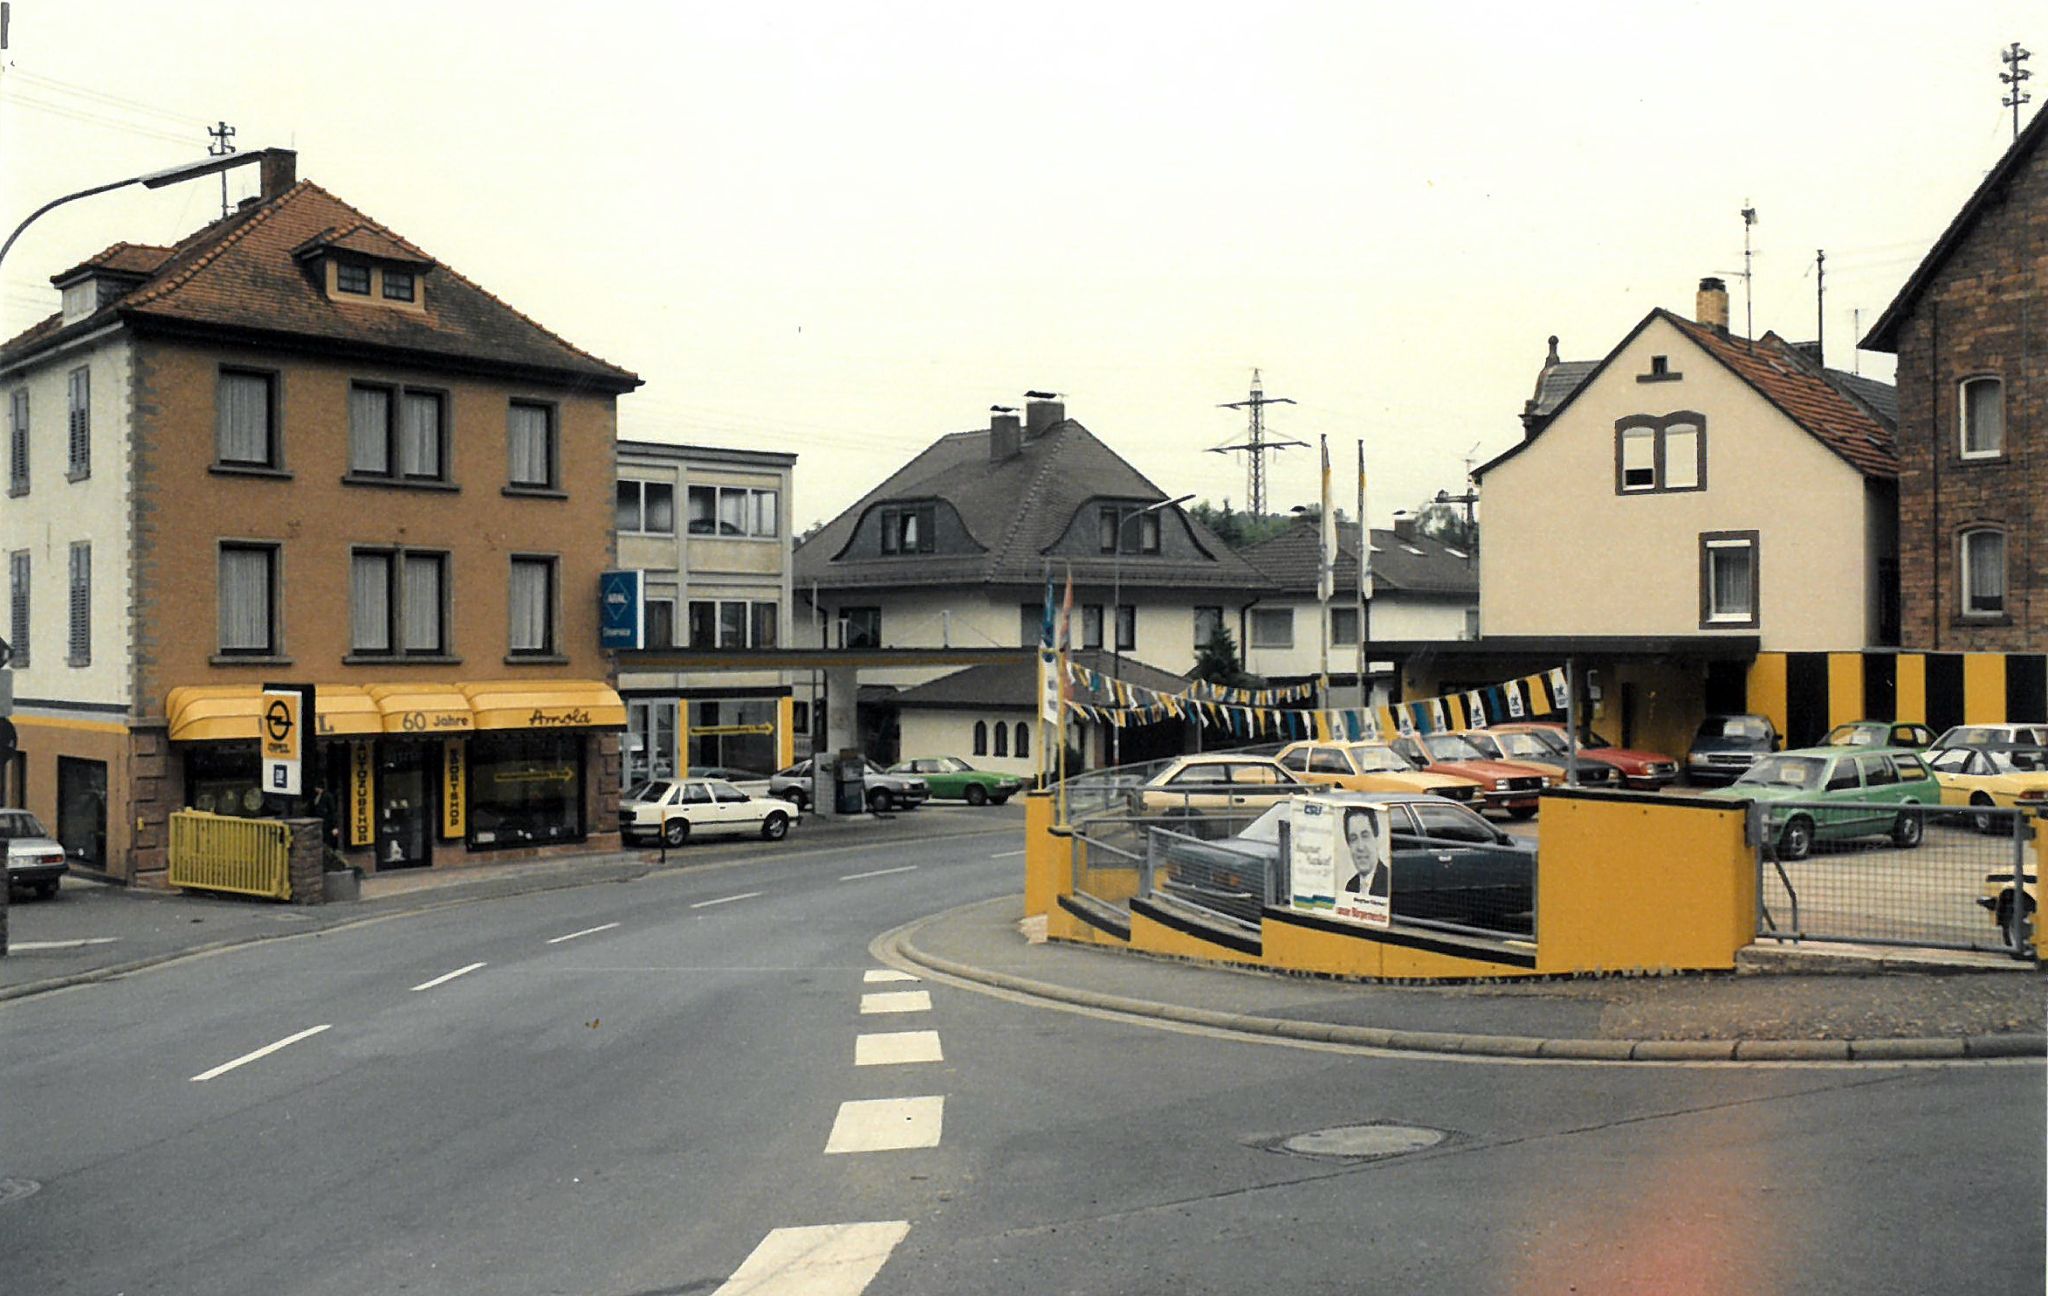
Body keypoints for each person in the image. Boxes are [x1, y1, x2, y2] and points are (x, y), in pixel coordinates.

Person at [1342, 807, 1389, 898]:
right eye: (1353, 838)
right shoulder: (1351, 886)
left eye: (1365, 836)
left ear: (1377, 839)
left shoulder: (1389, 881)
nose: (1360, 847)